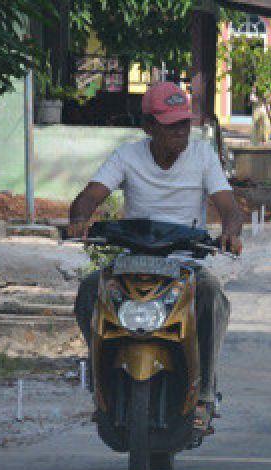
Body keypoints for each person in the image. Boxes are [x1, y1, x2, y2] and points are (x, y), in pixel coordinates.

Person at [68, 82, 243, 431]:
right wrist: (78, 219)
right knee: (89, 292)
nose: (181, 131)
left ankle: (205, 395)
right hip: (134, 258)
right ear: (148, 126)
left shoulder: (203, 156)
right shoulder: (126, 156)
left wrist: (231, 232)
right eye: (171, 124)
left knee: (211, 296)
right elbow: (89, 197)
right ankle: (101, 386)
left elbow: (229, 207)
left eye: (185, 123)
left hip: (185, 260)